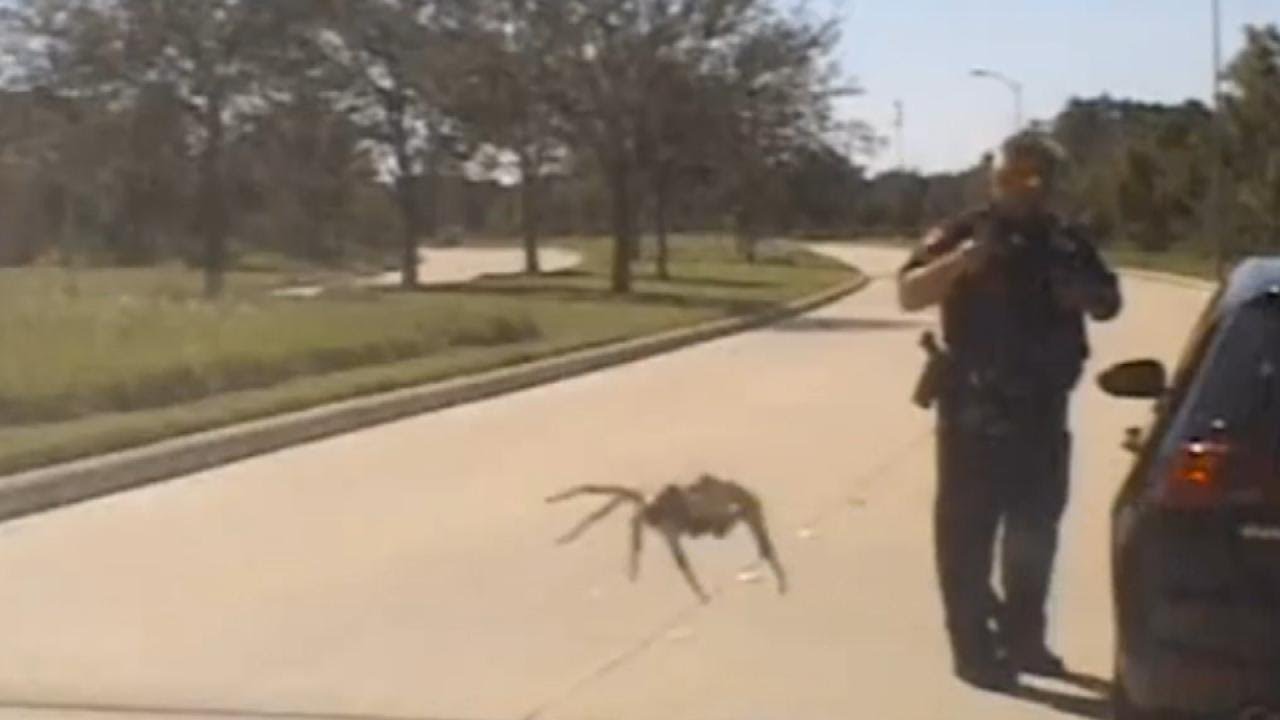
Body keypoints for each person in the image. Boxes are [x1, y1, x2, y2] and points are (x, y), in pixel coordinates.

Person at [897, 132, 1122, 691]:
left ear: (1049, 183)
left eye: (1032, 177)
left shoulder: (1068, 242)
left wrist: (1082, 294)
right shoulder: (965, 232)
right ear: (993, 180)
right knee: (966, 540)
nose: (1020, 187)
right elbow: (908, 292)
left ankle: (1025, 639)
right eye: (1009, 176)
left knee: (1034, 535)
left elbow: (1110, 301)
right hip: (974, 412)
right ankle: (973, 650)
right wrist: (960, 264)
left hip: (1043, 413)